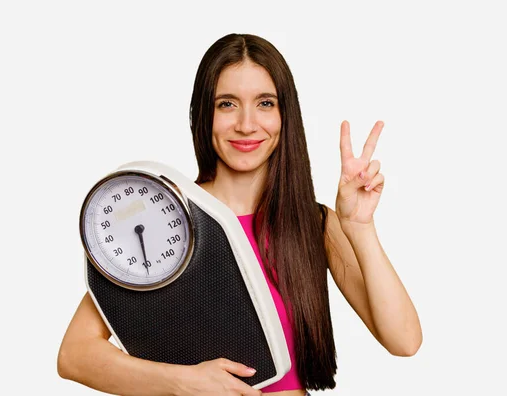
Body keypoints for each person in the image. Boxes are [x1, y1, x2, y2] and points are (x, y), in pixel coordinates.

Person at [58, 33, 422, 396]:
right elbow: (75, 355)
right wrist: (182, 383)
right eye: (227, 104)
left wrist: (359, 227)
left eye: (265, 103)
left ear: (285, 115)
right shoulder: (167, 216)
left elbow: (404, 341)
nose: (247, 125)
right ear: (204, 114)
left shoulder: (314, 225)